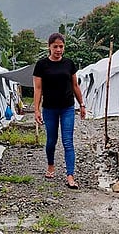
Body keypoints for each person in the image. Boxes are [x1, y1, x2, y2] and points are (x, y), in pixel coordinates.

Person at [33, 32, 86, 189]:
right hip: (49, 109)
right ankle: (50, 165)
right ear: (49, 47)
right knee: (51, 141)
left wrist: (82, 104)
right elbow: (38, 88)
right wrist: (36, 109)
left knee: (68, 141)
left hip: (67, 108)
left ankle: (70, 175)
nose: (58, 50)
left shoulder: (69, 64)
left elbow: (75, 86)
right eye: (55, 46)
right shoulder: (41, 65)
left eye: (61, 46)